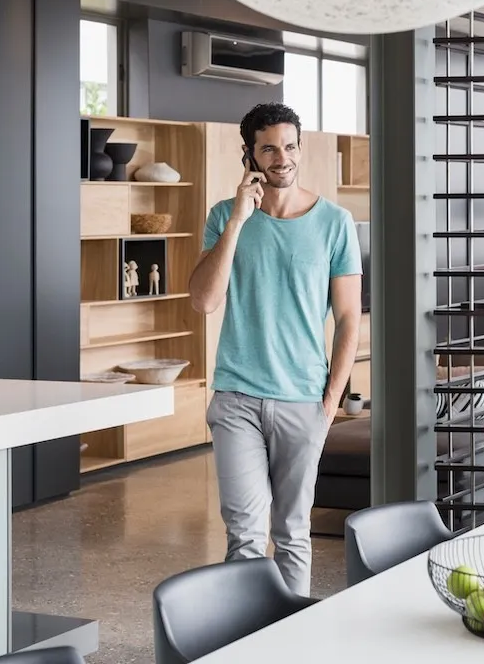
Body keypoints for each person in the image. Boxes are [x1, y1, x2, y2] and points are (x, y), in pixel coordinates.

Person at [189, 102, 362, 597]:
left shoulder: (335, 222)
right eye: (268, 148)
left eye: (289, 146)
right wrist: (238, 220)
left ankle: (293, 642)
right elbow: (203, 301)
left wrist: (330, 402)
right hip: (237, 399)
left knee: (291, 532)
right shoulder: (225, 217)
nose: (281, 157)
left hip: (303, 400)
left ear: (299, 148)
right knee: (243, 535)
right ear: (249, 156)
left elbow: (349, 318)